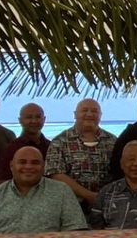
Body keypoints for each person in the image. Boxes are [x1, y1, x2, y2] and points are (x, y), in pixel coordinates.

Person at [44, 98, 119, 228]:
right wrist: (89, 196)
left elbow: (119, 172)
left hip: (108, 207)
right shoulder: (59, 142)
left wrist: (101, 198)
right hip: (69, 208)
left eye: (94, 111)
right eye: (84, 110)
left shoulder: (113, 141)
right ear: (75, 114)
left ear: (100, 115)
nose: (89, 114)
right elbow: (56, 174)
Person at [0, 102, 50, 183]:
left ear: (44, 119)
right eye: (29, 117)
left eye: (38, 117)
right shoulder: (10, 149)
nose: (34, 121)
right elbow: (2, 181)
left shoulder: (51, 147)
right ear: (20, 120)